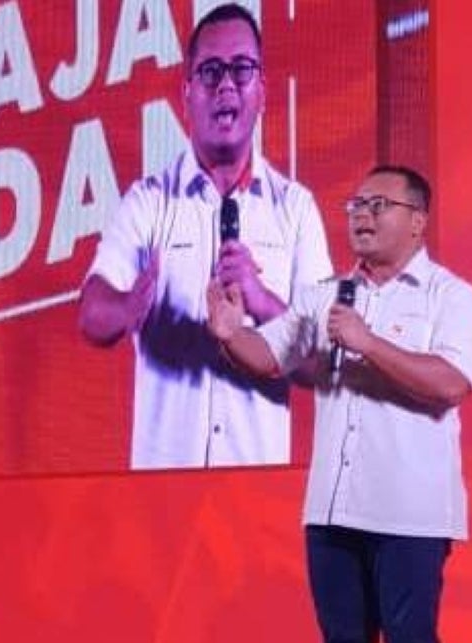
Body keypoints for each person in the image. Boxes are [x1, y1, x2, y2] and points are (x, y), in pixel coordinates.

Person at [208, 165, 472, 643]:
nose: (360, 214)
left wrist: (369, 343)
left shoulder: (452, 298)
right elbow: (269, 358)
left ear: (417, 219)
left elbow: (451, 381)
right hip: (332, 507)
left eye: (378, 204)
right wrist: (227, 335)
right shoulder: (324, 294)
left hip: (411, 510)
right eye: (355, 203)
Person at [78, 4, 332, 469]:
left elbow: (325, 363)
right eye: (211, 71)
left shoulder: (295, 209)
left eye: (242, 69)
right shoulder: (149, 201)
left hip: (257, 490)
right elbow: (90, 311)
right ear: (186, 94)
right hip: (161, 494)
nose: (227, 85)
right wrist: (127, 308)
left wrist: (262, 303)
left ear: (262, 91)